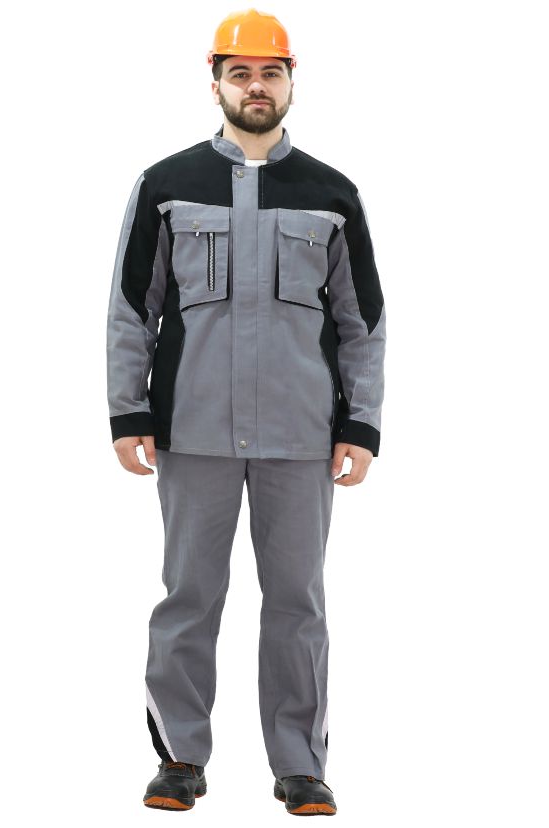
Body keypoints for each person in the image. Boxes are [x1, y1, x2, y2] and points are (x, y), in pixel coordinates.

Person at [106, 8, 386, 816]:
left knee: (298, 603)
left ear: (291, 81)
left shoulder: (332, 194)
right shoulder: (165, 185)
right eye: (240, 74)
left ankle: (300, 765)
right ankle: (179, 758)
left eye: (269, 73)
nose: (255, 87)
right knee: (188, 598)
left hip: (302, 435)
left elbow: (361, 321)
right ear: (217, 83)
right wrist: (128, 412)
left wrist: (361, 425)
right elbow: (132, 308)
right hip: (191, 429)